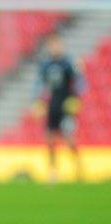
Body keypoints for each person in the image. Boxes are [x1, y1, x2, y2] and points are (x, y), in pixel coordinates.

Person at [35, 33, 82, 182]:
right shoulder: (46, 65)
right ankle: (53, 171)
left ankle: (78, 167)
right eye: (52, 45)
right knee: (49, 139)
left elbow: (78, 83)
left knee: (68, 138)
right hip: (52, 106)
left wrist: (75, 99)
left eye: (56, 45)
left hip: (66, 106)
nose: (54, 48)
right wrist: (39, 101)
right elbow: (41, 86)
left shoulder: (67, 64)